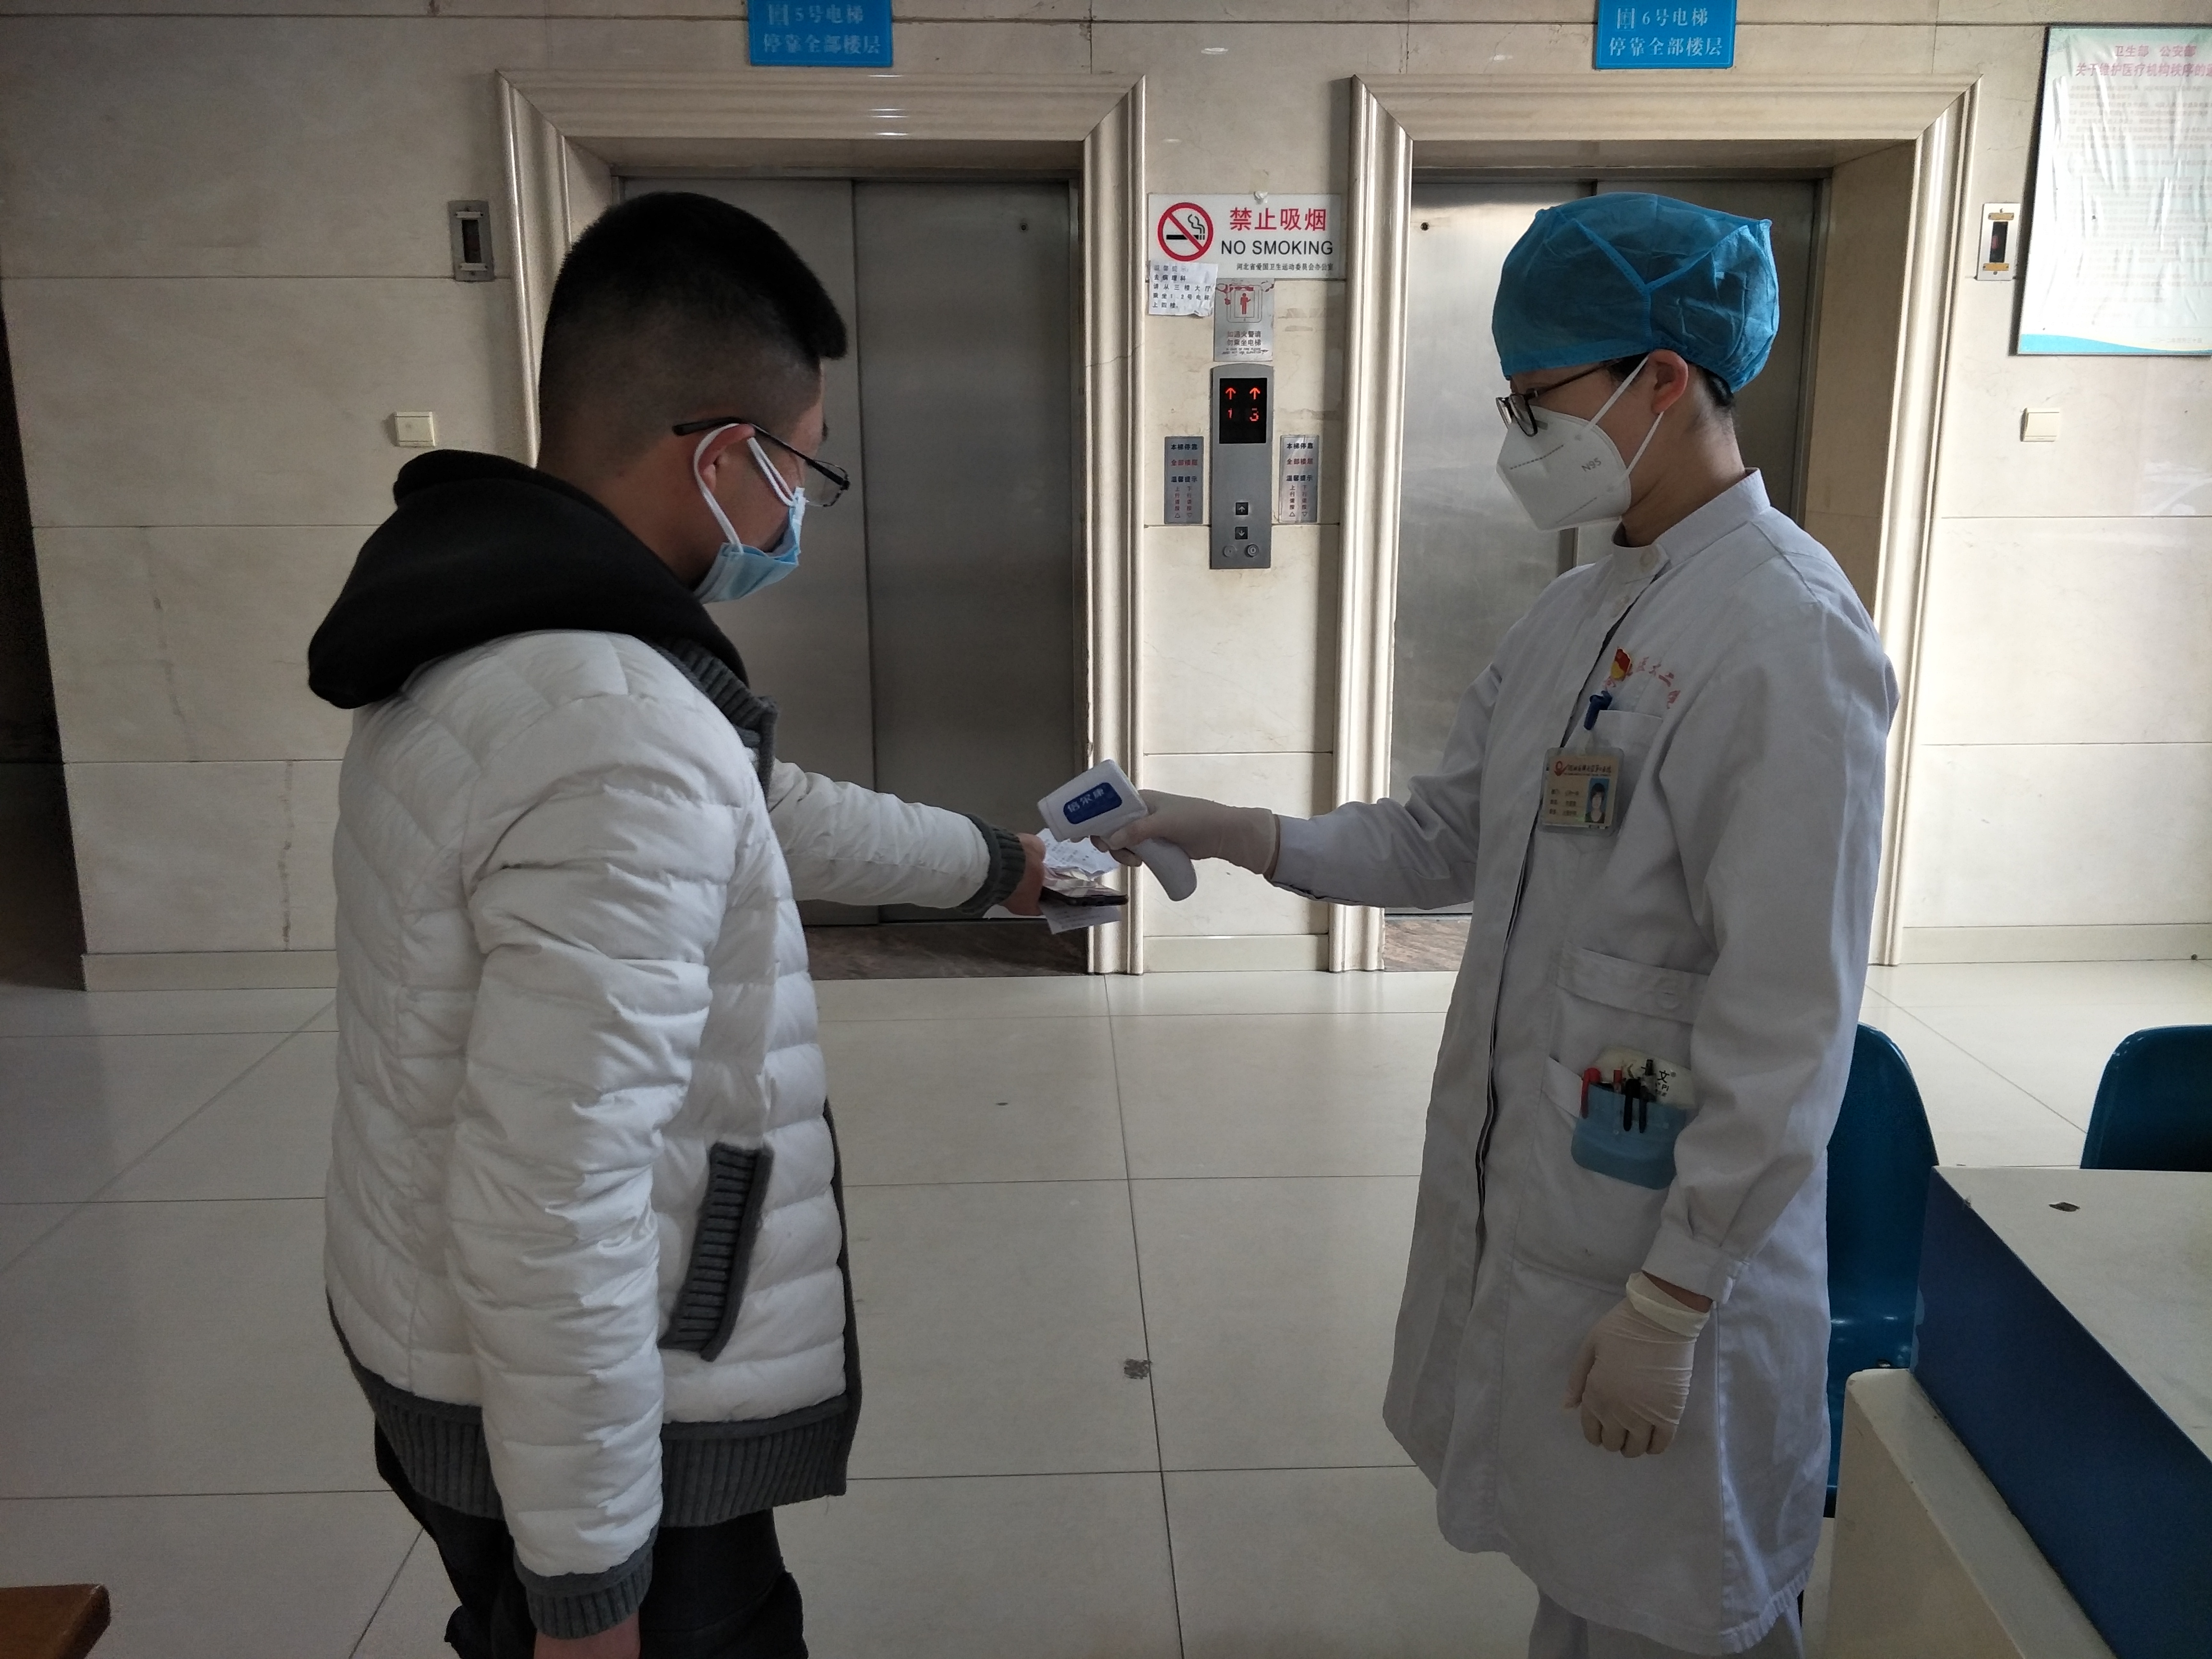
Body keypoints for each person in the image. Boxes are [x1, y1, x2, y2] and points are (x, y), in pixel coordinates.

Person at [1100, 193, 1896, 1657]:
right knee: (1587, 1579)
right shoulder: (1580, 612)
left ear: (1666, 379)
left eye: (1542, 400)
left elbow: (1789, 1023)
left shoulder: (1787, 635)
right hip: (1563, 1195)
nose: (1524, 437)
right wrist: (1236, 830)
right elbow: (1441, 840)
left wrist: (1674, 1300)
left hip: (1671, 1247)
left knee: (1686, 1604)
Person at [307, 193, 1044, 1658]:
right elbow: (555, 1191)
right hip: (595, 1419)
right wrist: (588, 1585)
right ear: (724, 458)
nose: (794, 520)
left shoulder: (501, 640)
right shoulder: (614, 731)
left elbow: (760, 805)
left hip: (448, 1343)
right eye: (802, 473)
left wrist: (1009, 867)